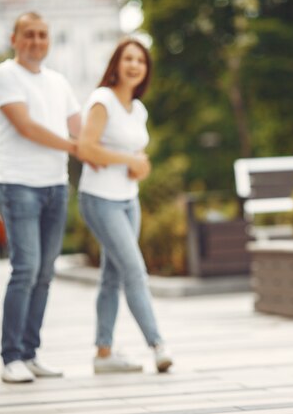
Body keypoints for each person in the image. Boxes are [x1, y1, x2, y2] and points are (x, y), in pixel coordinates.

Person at [0, 12, 81, 383]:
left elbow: (80, 127)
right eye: (29, 34)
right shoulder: (3, 75)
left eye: (43, 35)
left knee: (44, 273)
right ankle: (11, 357)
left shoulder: (59, 82)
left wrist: (112, 152)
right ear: (14, 39)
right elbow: (26, 127)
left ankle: (30, 352)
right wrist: (76, 147)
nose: (36, 41)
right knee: (25, 269)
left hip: (55, 185)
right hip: (18, 184)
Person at [76, 38, 172, 374]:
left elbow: (135, 159)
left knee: (111, 277)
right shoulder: (101, 100)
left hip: (128, 199)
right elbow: (86, 148)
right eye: (128, 58)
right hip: (99, 200)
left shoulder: (138, 109)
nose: (134, 65)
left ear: (146, 70)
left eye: (141, 61)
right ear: (116, 64)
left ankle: (103, 354)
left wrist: (138, 164)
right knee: (134, 270)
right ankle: (158, 345)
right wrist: (128, 159)